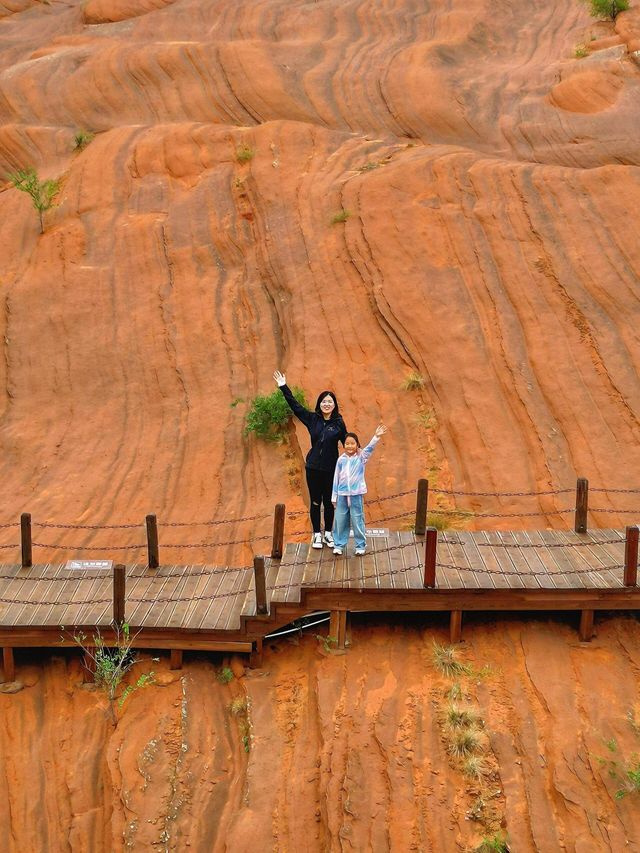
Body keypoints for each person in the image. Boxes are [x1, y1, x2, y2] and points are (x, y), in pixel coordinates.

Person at [274, 370, 347, 549]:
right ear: (319, 404)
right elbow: (295, 406)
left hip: (331, 468)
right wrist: (284, 387)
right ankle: (316, 535)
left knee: (330, 502)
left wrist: (360, 452)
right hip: (313, 468)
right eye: (324, 401)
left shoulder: (338, 422)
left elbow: (348, 443)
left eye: (330, 401)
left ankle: (328, 534)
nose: (327, 404)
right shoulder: (312, 419)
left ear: (334, 405)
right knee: (316, 501)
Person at [331, 425, 387, 556]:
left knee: (357, 520)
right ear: (343, 445)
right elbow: (336, 478)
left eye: (352, 443)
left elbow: (369, 449)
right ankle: (338, 545)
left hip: (356, 495)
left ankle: (360, 545)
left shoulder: (361, 457)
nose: (350, 446)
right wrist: (334, 497)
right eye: (347, 444)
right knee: (340, 520)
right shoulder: (341, 460)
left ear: (357, 444)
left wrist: (376, 436)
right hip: (342, 495)